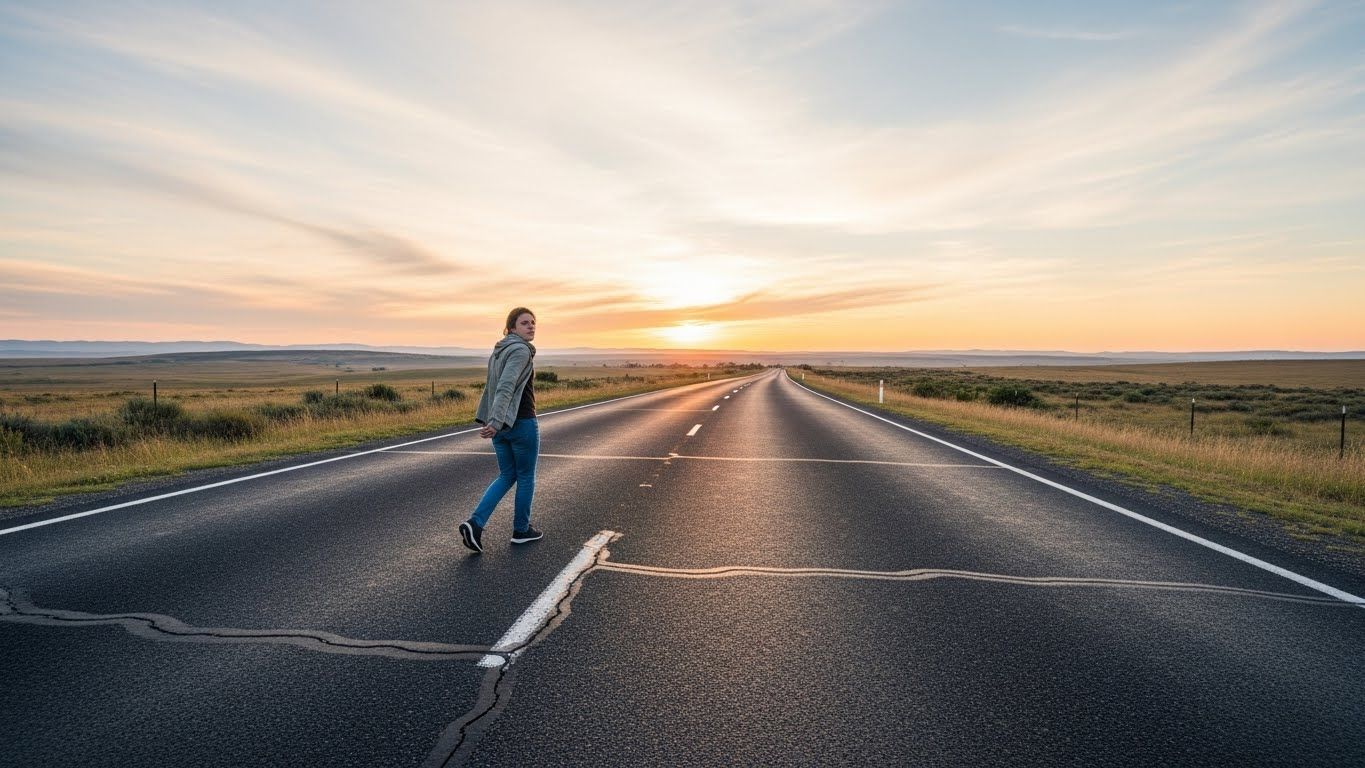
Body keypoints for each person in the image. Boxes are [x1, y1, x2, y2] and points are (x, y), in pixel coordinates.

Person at [459, 307, 543, 553]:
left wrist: (491, 420)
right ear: (511, 328)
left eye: (533, 322)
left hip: (500, 426)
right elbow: (505, 387)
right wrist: (496, 422)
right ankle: (521, 530)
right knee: (525, 476)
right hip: (520, 422)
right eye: (524, 323)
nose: (531, 326)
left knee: (507, 475)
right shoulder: (520, 350)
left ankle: (475, 524)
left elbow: (490, 387)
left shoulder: (499, 350)